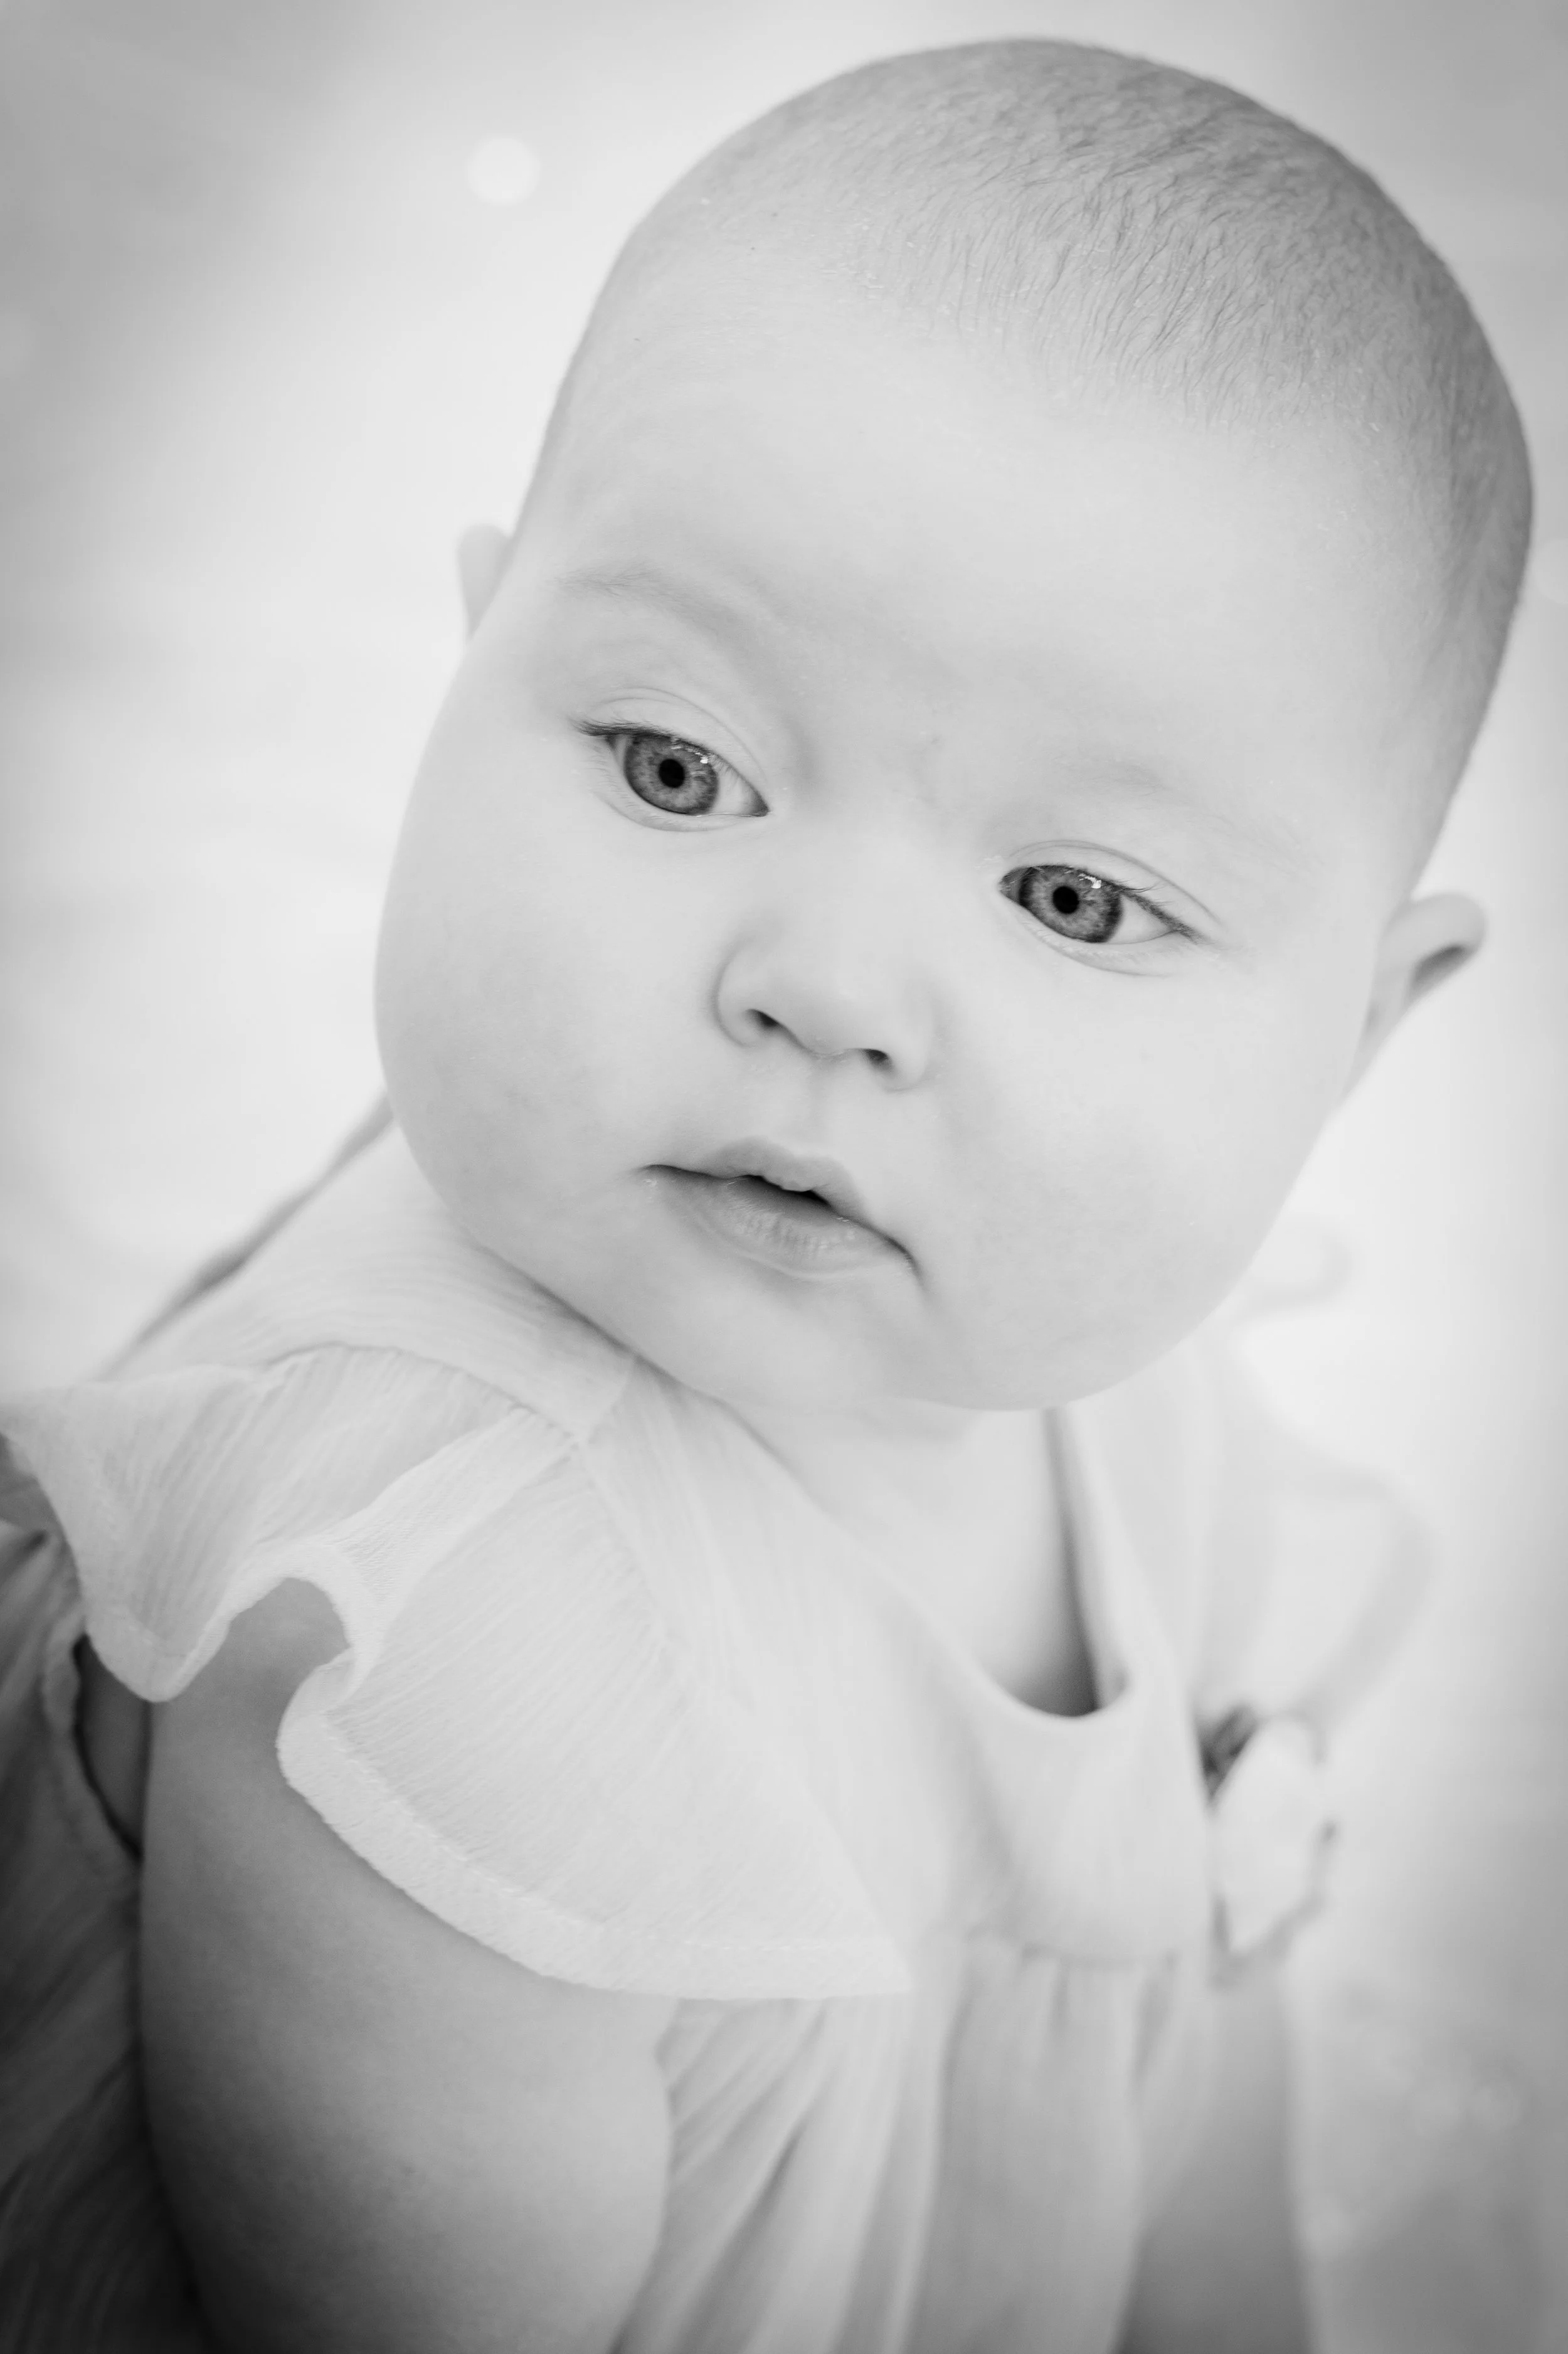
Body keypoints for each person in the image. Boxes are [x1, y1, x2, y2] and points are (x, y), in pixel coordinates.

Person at [0, 36, 1532, 2354]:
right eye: (674, 762)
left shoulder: (1111, 1368)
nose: (824, 992)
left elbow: (1202, 2103)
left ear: (1353, 1037)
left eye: (1077, 903)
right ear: (468, 661)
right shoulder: (438, 1659)